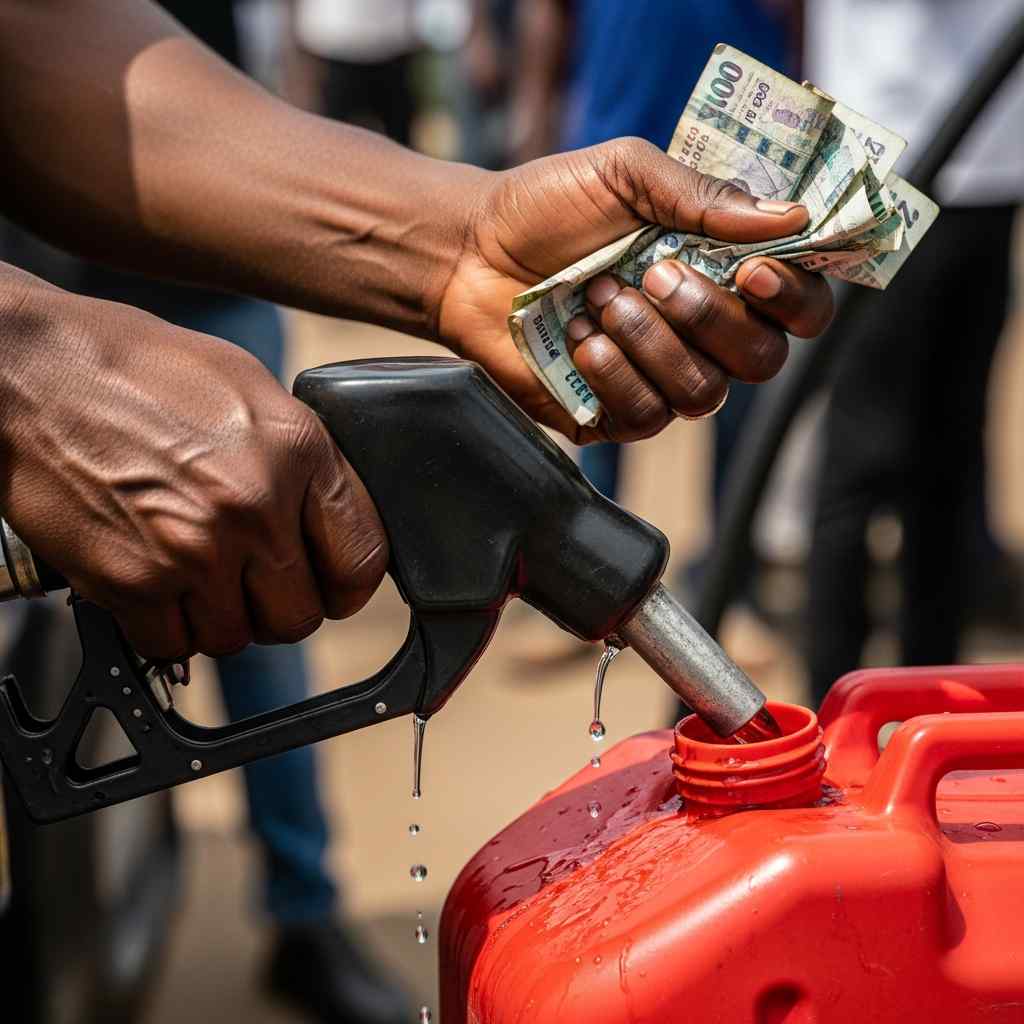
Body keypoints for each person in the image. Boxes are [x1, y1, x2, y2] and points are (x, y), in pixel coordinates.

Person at [509, 0, 803, 590]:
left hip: (742, 173)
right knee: (597, 375)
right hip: (611, 149)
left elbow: (800, 18)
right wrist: (534, 127)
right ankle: (587, 570)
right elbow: (548, 14)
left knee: (740, 378)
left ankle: (729, 579)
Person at [803, 0, 1024, 707]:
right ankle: (833, 709)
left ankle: (931, 698)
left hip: (991, 168)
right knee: (861, 458)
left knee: (950, 462)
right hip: (886, 162)